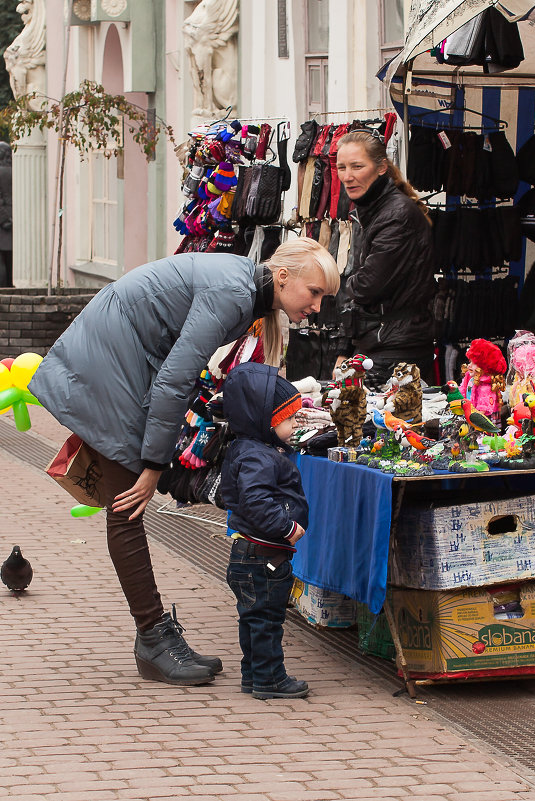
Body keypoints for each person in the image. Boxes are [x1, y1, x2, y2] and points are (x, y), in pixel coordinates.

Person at [29, 238, 339, 687]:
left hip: (118, 356)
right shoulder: (235, 294)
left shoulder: (245, 287)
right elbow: (174, 378)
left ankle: (154, 637)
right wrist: (155, 464)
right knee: (129, 503)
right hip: (112, 365)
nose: (316, 306)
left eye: (323, 298)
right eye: (314, 293)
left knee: (129, 499)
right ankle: (152, 639)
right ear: (284, 277)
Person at [221, 361, 309, 699]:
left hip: (252, 554)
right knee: (266, 620)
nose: (292, 427)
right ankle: (269, 679)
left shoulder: (250, 450)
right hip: (263, 556)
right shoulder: (258, 457)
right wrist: (286, 527)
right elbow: (257, 501)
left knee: (254, 618)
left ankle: (253, 674)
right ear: (264, 421)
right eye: (287, 421)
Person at [334, 130, 436, 390]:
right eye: (341, 167)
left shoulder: (395, 215)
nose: (347, 176)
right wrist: (344, 349)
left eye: (357, 166)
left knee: (388, 428)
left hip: (395, 352)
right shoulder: (371, 208)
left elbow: (366, 285)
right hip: (380, 345)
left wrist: (346, 282)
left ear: (380, 168)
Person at [0, 142, 13, 287]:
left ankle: (3, 289)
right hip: (15, 221)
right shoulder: (16, 171)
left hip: (4, 224)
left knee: (2, 261)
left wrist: (4, 219)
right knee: (11, 260)